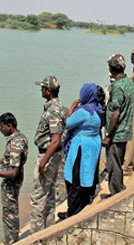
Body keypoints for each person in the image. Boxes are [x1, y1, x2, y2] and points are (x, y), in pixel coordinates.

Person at [30, 75, 67, 232]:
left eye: (43, 88)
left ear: (48, 91)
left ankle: (35, 236)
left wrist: (43, 162)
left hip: (48, 154)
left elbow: (55, 139)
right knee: (50, 194)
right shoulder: (62, 108)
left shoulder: (53, 111)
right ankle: (49, 231)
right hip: (56, 155)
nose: (41, 90)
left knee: (37, 198)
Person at [61, 84, 102, 218]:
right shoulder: (98, 109)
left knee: (75, 178)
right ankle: (84, 201)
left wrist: (73, 107)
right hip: (93, 144)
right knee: (88, 174)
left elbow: (67, 123)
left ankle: (72, 210)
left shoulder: (83, 112)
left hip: (81, 146)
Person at [103, 55, 134, 197]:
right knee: (118, 162)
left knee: (113, 164)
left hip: (116, 132)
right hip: (125, 130)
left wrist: (108, 135)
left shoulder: (117, 87)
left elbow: (115, 112)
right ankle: (119, 187)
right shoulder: (129, 82)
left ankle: (115, 194)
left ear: (111, 68)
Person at [0, 113, 27, 245]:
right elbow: (11, 161)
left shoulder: (15, 143)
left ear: (9, 126)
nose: (1, 130)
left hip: (11, 183)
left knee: (9, 214)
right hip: (16, 179)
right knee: (12, 211)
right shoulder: (20, 137)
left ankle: (11, 242)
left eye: (2, 127)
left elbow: (13, 172)